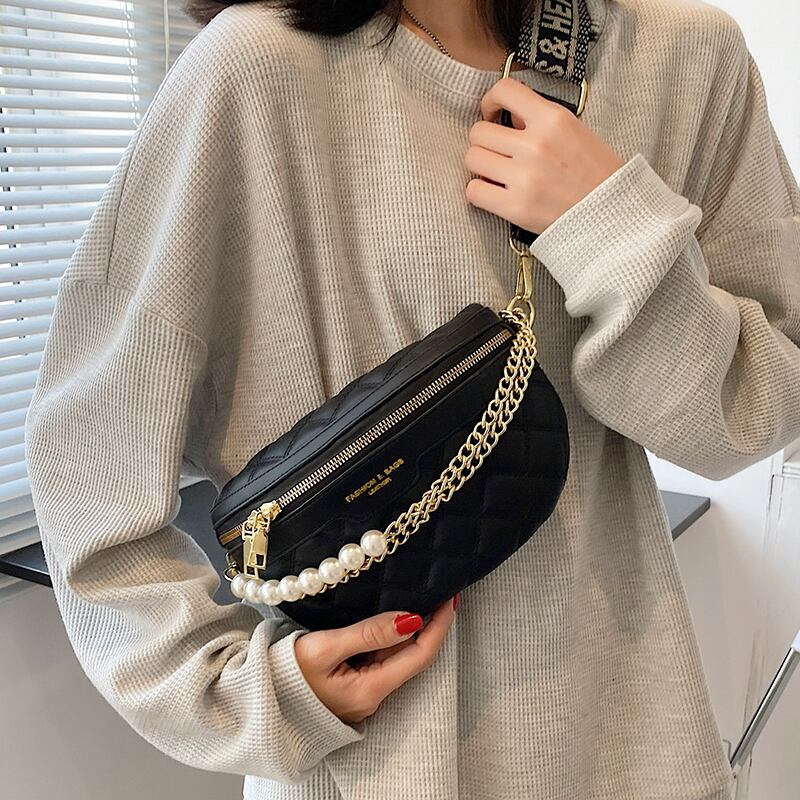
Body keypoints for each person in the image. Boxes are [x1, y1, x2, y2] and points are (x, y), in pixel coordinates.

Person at [23, 0, 800, 798]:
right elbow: (90, 454)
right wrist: (243, 695)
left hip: (630, 743)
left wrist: (610, 225)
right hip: (376, 765)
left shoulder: (684, 56)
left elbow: (753, 412)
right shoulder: (253, 70)